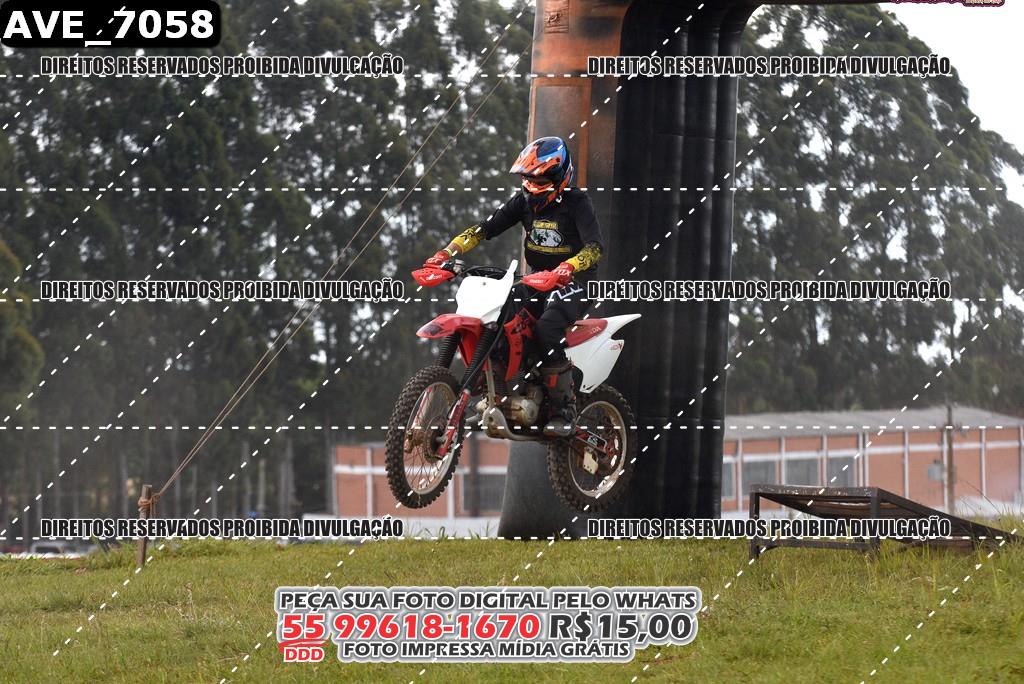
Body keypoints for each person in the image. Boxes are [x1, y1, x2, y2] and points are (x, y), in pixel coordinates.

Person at [421, 136, 603, 437]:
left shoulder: (577, 203)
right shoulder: (523, 202)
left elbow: (595, 248)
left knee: (547, 328)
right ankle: (501, 388)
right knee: (499, 313)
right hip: (536, 280)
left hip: (575, 282)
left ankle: (564, 409)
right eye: (528, 180)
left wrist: (568, 266)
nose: (532, 186)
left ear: (559, 177)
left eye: (540, 181)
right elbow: (483, 229)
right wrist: (446, 253)